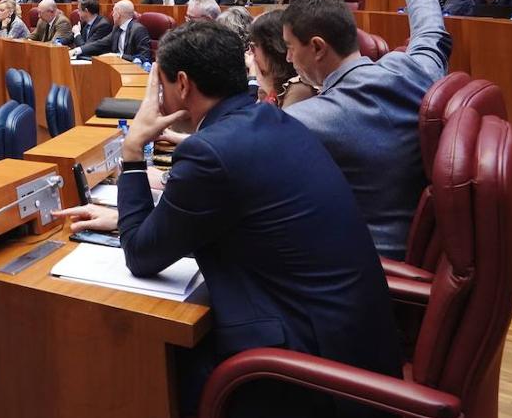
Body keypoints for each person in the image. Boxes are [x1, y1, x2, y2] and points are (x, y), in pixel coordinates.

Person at [54, 23, 401, 417]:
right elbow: (224, 213)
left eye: (159, 86)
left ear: (182, 84)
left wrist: (133, 149)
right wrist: (125, 217)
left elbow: (141, 256)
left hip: (306, 376)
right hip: (352, 342)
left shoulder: (210, 154)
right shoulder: (276, 121)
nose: (158, 99)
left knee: (148, 367)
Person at [284, 0, 451, 259]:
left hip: (361, 269)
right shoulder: (412, 71)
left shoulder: (310, 120)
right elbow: (431, 33)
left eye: (290, 47)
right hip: (413, 250)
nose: (287, 58)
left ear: (316, 47)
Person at [249, 10, 315, 108]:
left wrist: (269, 89)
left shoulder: (299, 90)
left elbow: (276, 122)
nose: (251, 53)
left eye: (254, 47)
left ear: (272, 50)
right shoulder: (270, 88)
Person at [72, 0, 151, 61]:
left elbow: (144, 57)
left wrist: (119, 56)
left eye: (114, 12)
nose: (112, 15)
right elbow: (100, 43)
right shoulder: (117, 29)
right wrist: (77, 50)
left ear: (118, 14)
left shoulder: (138, 30)